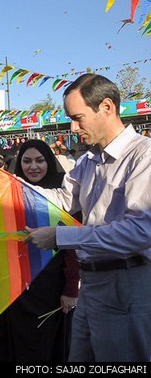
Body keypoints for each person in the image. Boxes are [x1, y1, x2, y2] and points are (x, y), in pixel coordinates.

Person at [25, 73, 151, 362]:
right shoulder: (88, 160)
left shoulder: (143, 157)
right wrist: (12, 188)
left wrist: (60, 237)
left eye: (78, 117)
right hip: (91, 285)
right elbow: (64, 200)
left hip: (126, 283)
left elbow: (139, 232)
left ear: (106, 107)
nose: (72, 127)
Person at [0, 139, 80, 362]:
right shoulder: (7, 196)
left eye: (39, 160)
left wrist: (71, 289)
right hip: (14, 288)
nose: (32, 166)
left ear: (50, 162)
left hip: (50, 289)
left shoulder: (66, 200)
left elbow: (73, 248)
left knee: (46, 347)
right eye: (26, 161)